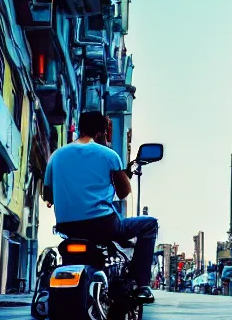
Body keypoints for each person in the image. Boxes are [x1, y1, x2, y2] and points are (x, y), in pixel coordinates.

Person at [43, 111, 158, 303]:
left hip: (66, 227)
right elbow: (123, 193)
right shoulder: (108, 155)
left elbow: (48, 196)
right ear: (102, 132)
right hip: (102, 225)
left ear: (80, 128)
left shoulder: (56, 156)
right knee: (149, 224)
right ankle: (142, 285)